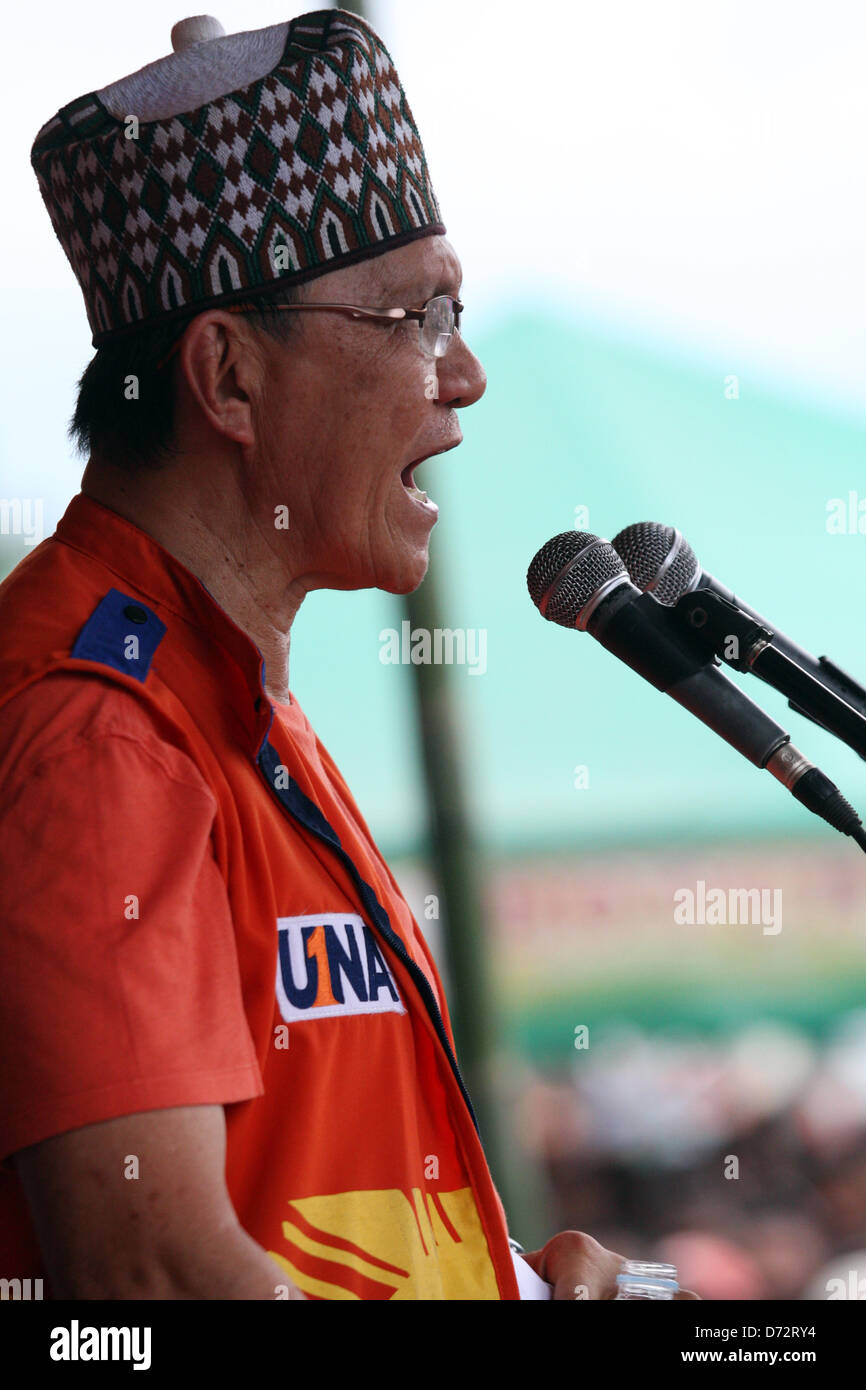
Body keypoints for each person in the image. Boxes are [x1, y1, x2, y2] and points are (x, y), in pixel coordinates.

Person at [0, 9, 696, 1301]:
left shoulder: (231, 707)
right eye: (420, 314)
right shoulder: (103, 734)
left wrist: (508, 1283)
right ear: (228, 378)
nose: (467, 373)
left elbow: (300, 1210)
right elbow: (148, 1290)